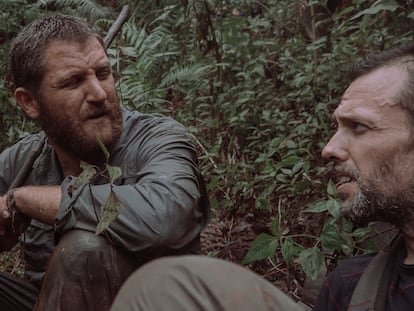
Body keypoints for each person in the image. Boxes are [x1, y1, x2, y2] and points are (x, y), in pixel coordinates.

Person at [109, 42, 414, 311]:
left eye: (358, 127)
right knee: (163, 288)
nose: (329, 149)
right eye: (337, 127)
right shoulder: (350, 287)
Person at [0, 14, 209, 311]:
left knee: (84, 251)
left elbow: (165, 216)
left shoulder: (159, 139)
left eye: (102, 73)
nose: (99, 94)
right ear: (29, 103)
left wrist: (21, 200)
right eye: (73, 82)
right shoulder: (23, 160)